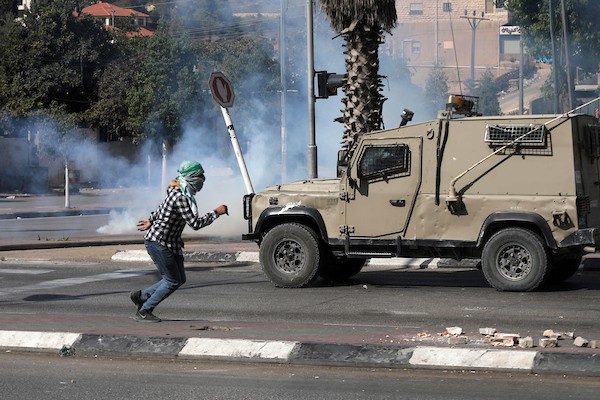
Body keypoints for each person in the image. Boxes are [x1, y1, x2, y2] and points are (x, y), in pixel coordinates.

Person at [131, 160, 228, 322]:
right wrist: (216, 212)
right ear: (192, 178)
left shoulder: (176, 191)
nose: (202, 180)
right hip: (159, 243)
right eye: (200, 176)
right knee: (172, 281)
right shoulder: (181, 197)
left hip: (170, 243)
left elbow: (162, 208)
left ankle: (141, 296)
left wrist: (151, 220)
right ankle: (144, 310)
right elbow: (195, 224)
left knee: (179, 279)